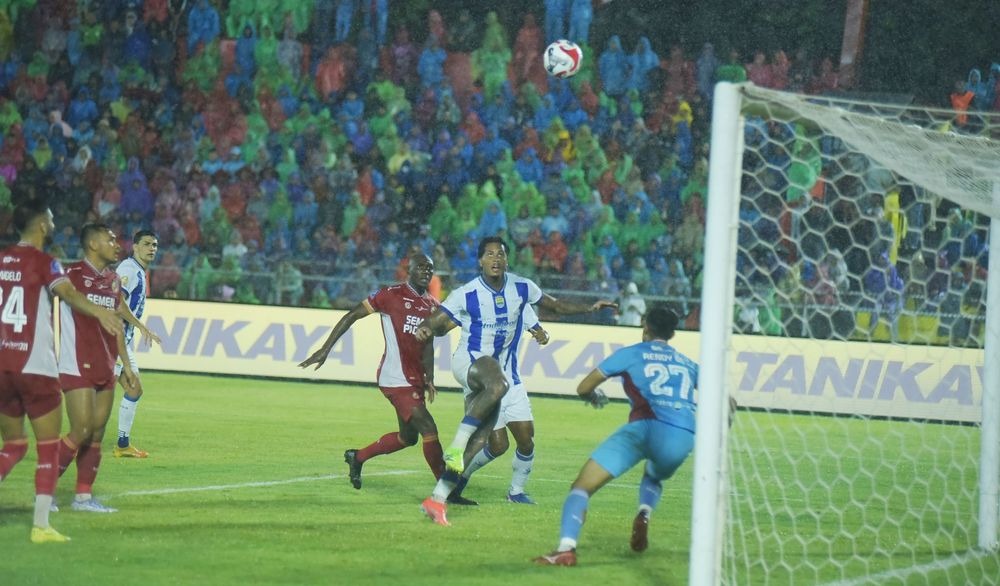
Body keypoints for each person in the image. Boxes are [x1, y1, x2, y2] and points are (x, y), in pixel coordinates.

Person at [416, 236, 616, 526]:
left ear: (507, 259)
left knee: (487, 441)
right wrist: (425, 328)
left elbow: (556, 305)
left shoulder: (521, 289)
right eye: (489, 254)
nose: (495, 259)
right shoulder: (466, 293)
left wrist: (590, 308)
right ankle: (456, 445)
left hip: (503, 377)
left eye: (500, 254)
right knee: (497, 385)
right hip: (470, 364)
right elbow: (437, 321)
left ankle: (437, 498)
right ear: (480, 261)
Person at [534, 306, 699, 566]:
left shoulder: (631, 354)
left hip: (645, 428)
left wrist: (593, 397)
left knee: (582, 487)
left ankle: (566, 549)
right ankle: (645, 511)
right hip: (683, 436)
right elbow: (728, 400)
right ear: (672, 333)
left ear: (645, 326)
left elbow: (584, 387)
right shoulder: (688, 364)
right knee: (654, 474)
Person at [0, 197, 122, 543]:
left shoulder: (1, 259)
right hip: (35, 365)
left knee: (14, 445)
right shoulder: (47, 263)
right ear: (41, 225)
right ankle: (41, 525)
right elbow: (67, 293)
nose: (53, 224)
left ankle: (80, 496)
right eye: (51, 219)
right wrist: (99, 312)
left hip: (2, 363)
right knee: (49, 445)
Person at [299, 253, 446, 489]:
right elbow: (353, 315)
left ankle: (357, 457)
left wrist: (430, 376)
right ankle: (447, 488)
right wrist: (325, 349)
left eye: (430, 268)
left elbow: (428, 344)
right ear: (409, 270)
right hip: (395, 377)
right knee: (429, 428)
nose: (426, 272)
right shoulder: (391, 294)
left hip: (415, 378)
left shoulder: (433, 305)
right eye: (421, 267)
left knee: (408, 438)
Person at [56, 224, 148, 513]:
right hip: (76, 363)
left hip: (106, 365)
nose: (117, 244)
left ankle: (83, 498)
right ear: (93, 244)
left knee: (96, 434)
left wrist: (127, 366)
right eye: (110, 240)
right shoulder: (71, 275)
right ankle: (43, 489)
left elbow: (117, 326)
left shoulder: (113, 280)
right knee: (81, 430)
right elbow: (56, 298)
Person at [447, 302, 550, 506]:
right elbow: (446, 323)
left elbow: (538, 330)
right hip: (484, 386)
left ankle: (516, 492)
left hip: (513, 385)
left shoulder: (520, 303)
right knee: (498, 445)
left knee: (527, 440)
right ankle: (457, 481)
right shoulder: (475, 300)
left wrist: (542, 335)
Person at [113, 229, 162, 458]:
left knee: (134, 389)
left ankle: (122, 445)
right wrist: (142, 326)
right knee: (97, 394)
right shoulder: (128, 269)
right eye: (147, 244)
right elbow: (117, 302)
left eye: (155, 245)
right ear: (135, 246)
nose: (152, 248)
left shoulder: (139, 271)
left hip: (123, 341)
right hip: (111, 340)